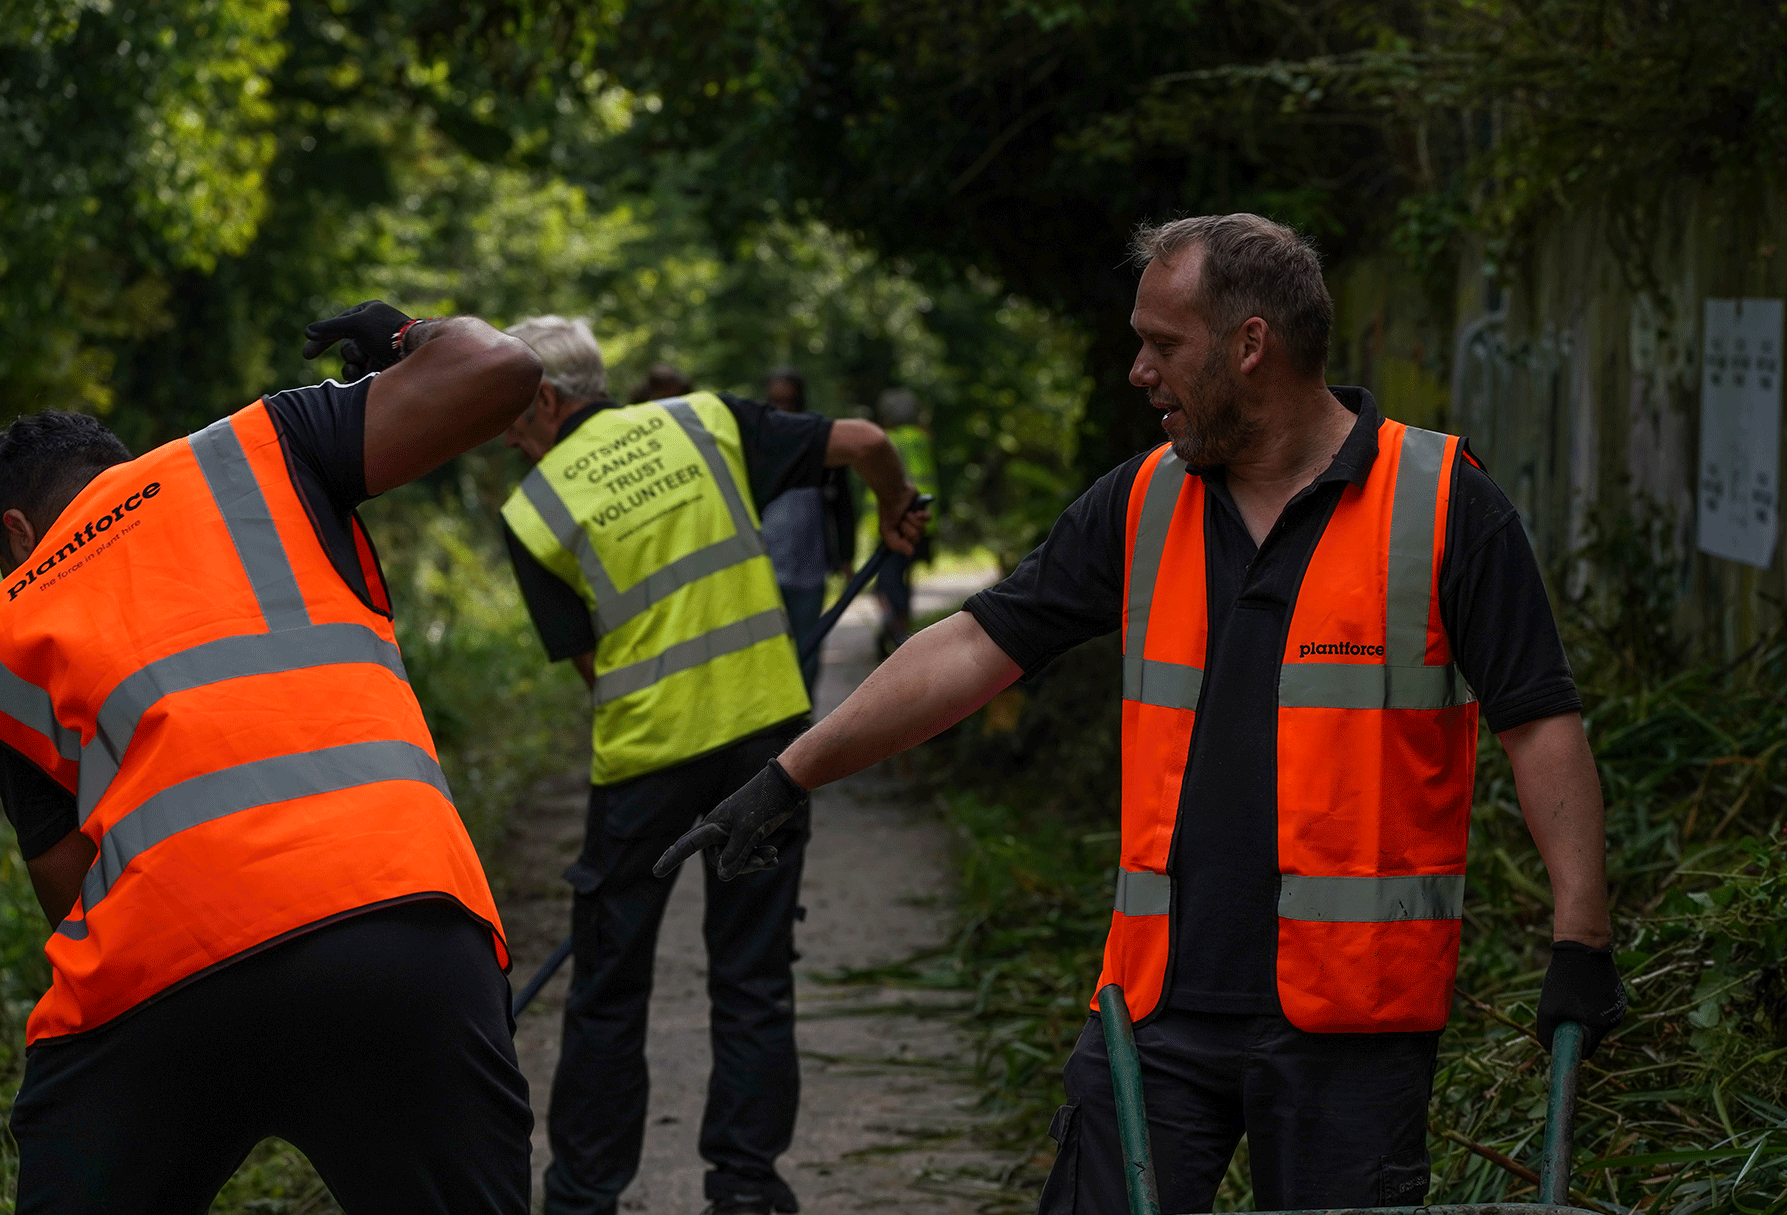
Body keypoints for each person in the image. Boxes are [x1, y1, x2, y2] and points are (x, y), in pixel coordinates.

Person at [659, 215, 1629, 1213]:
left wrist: (1581, 939)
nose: (1138, 371)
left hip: (1355, 1029)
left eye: (1163, 344)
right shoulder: (1143, 501)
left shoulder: (1439, 504)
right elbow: (973, 647)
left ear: (1251, 345)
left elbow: (1539, 722)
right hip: (1153, 1014)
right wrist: (791, 772)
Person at [0, 300, 543, 1213]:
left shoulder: (14, 612)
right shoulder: (250, 451)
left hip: (163, 975)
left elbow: (69, 893)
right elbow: (502, 369)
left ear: (14, 532)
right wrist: (406, 341)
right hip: (402, 925)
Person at [495, 317, 927, 1215]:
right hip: (763, 746)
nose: (505, 433)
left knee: (609, 989)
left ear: (544, 399)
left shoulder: (530, 508)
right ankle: (745, 1188)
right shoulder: (703, 421)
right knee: (754, 975)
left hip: (644, 763)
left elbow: (592, 667)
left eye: (510, 412)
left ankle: (581, 1197)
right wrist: (893, 510)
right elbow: (871, 443)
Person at [758, 369, 856, 695]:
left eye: (789, 402)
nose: (782, 410)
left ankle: (802, 722)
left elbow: (843, 505)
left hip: (811, 568)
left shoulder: (823, 444)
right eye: (775, 402)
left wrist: (846, 555)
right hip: (764, 568)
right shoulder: (756, 444)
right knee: (769, 651)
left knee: (808, 647)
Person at [870, 388, 935, 656]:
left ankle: (897, 634)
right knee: (903, 581)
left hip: (893, 524)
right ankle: (901, 632)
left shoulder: (886, 441)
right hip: (923, 523)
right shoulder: (923, 439)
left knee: (885, 585)